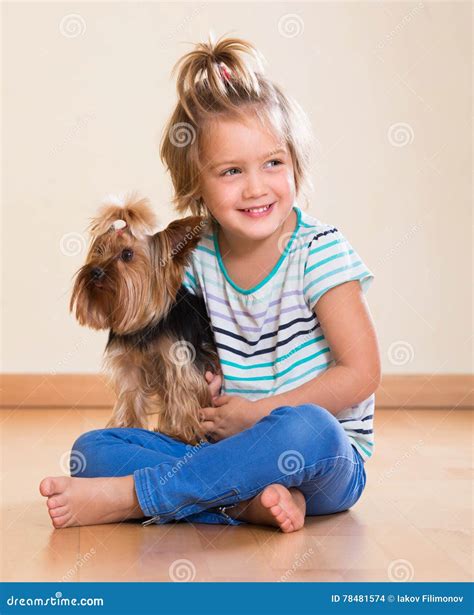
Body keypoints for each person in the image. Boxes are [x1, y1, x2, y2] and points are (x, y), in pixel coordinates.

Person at [39, 34, 381, 533]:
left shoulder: (319, 251)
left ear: (296, 162)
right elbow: (169, 336)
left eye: (273, 163)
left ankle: (137, 496)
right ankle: (244, 504)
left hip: (318, 461)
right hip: (219, 452)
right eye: (230, 171)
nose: (256, 186)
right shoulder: (192, 258)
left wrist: (258, 412)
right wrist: (203, 375)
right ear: (195, 184)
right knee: (93, 449)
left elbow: (362, 374)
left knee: (308, 427)